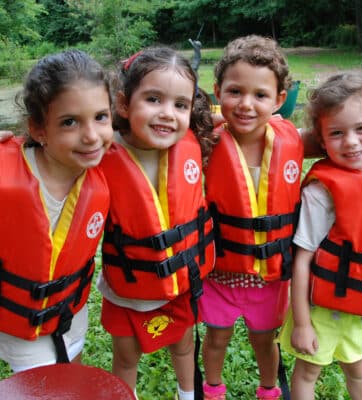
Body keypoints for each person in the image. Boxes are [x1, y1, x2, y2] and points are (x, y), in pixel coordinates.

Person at [199, 35, 362, 400]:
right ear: (217, 92)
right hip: (220, 272)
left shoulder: (292, 139)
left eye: (260, 95)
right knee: (216, 338)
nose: (246, 105)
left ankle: (270, 390)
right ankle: (212, 390)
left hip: (272, 276)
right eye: (235, 92)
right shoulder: (204, 142)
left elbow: (342, 137)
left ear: (278, 100)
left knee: (264, 341)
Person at [97, 47, 216, 400]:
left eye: (180, 105)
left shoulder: (196, 142)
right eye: (153, 99)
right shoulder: (98, 153)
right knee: (125, 357)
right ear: (122, 103)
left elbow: (272, 132)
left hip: (182, 284)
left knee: (182, 348)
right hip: (127, 291)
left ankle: (187, 394)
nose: (167, 114)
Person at [278, 72, 362, 400]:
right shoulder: (323, 192)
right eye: (336, 133)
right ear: (320, 139)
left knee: (359, 371)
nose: (350, 141)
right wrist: (301, 323)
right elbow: (301, 260)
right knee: (307, 372)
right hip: (320, 309)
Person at [0, 50, 113, 373]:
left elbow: (162, 132)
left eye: (101, 117)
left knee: (68, 377)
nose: (91, 136)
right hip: (15, 324)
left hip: (69, 313)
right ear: (38, 129)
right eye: (69, 122)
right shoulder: (5, 174)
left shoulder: (105, 163)